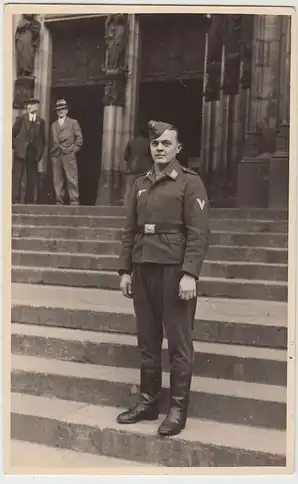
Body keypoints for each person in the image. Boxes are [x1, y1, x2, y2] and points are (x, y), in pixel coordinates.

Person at [117, 120, 210, 437]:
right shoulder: (140, 183)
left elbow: (198, 233)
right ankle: (147, 402)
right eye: (156, 143)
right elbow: (130, 230)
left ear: (178, 149)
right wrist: (125, 270)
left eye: (166, 143)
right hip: (143, 268)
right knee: (147, 341)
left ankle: (178, 409)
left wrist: (189, 273)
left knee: (179, 344)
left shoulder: (190, 183)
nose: (159, 148)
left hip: (174, 271)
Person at [12, 98, 46, 204]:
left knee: (32, 177)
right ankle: (15, 200)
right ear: (27, 107)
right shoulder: (21, 118)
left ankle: (29, 200)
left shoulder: (41, 121)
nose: (32, 107)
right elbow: (12, 134)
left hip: (33, 153)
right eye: (30, 105)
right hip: (21, 152)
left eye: (35, 105)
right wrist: (17, 147)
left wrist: (39, 154)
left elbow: (42, 139)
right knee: (18, 176)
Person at [50, 99, 83, 205]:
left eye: (63, 109)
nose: (61, 111)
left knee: (71, 177)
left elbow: (79, 139)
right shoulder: (53, 125)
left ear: (67, 110)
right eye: (59, 109)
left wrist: (73, 151)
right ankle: (59, 200)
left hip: (69, 153)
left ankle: (74, 200)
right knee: (57, 179)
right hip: (56, 154)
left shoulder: (73, 122)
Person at [123, 126, 152, 208]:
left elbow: (125, 157)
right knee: (144, 190)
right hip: (144, 170)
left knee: (129, 191)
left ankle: (126, 209)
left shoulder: (131, 143)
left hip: (131, 170)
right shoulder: (148, 143)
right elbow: (152, 157)